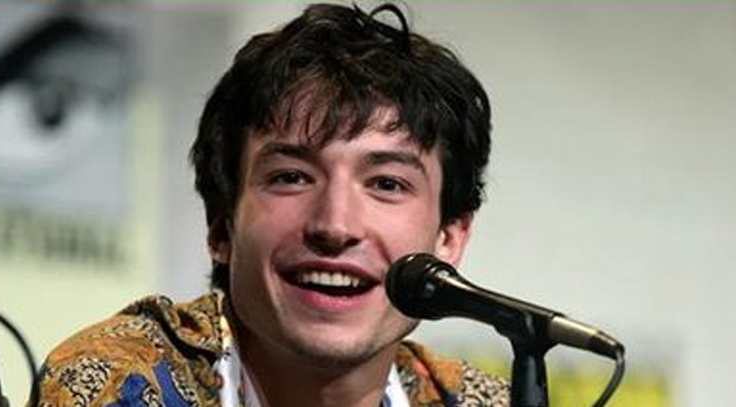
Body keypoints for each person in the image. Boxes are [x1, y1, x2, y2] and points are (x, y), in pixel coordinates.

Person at [31, 3, 510, 407]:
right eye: (291, 177)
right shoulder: (121, 384)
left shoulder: (481, 401)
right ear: (221, 226)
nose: (336, 225)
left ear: (449, 238)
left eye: (386, 184)